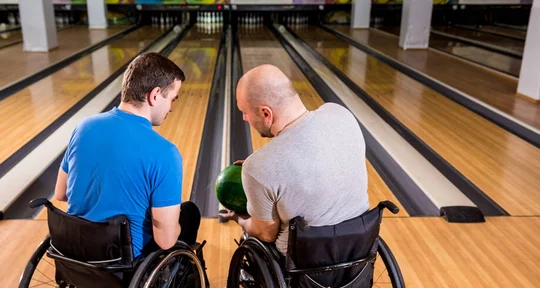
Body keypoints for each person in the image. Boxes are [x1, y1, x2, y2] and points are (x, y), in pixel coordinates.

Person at [54, 52, 200, 259]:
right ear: (155, 95)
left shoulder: (84, 127)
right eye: (172, 99)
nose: (172, 108)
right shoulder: (165, 153)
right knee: (189, 213)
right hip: (123, 263)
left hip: (75, 252)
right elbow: (165, 241)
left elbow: (61, 193)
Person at [220, 64, 369, 254]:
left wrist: (240, 218)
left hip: (304, 261)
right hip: (360, 245)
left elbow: (266, 234)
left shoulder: (258, 167)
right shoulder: (341, 113)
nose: (244, 118)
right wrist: (259, 173)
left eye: (245, 112)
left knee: (254, 236)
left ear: (266, 113)